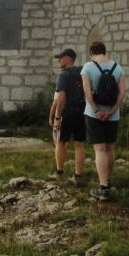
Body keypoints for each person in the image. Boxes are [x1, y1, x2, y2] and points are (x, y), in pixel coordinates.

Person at [81, 41, 126, 201]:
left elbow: (87, 92)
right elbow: (122, 93)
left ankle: (103, 188)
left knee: (99, 148)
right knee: (109, 148)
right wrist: (112, 111)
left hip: (94, 115)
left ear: (92, 52)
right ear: (105, 51)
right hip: (113, 115)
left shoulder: (87, 67)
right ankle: (107, 180)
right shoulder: (118, 68)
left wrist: (97, 110)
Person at [49, 48, 86, 186]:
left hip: (68, 112)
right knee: (79, 144)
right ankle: (78, 176)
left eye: (61, 57)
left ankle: (59, 173)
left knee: (61, 142)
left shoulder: (63, 75)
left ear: (69, 58)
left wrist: (57, 117)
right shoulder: (82, 72)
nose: (59, 60)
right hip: (82, 111)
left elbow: (61, 97)